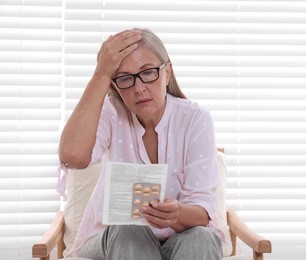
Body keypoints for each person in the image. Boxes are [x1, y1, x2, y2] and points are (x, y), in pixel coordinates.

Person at [57, 28, 223, 260]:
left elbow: (202, 212)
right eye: (125, 78)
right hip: (111, 238)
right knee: (130, 230)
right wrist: (102, 73)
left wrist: (176, 216)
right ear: (115, 85)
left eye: (148, 73)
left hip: (178, 239)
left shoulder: (195, 119)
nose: (139, 88)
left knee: (202, 238)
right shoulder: (111, 113)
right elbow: (73, 155)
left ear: (167, 73)